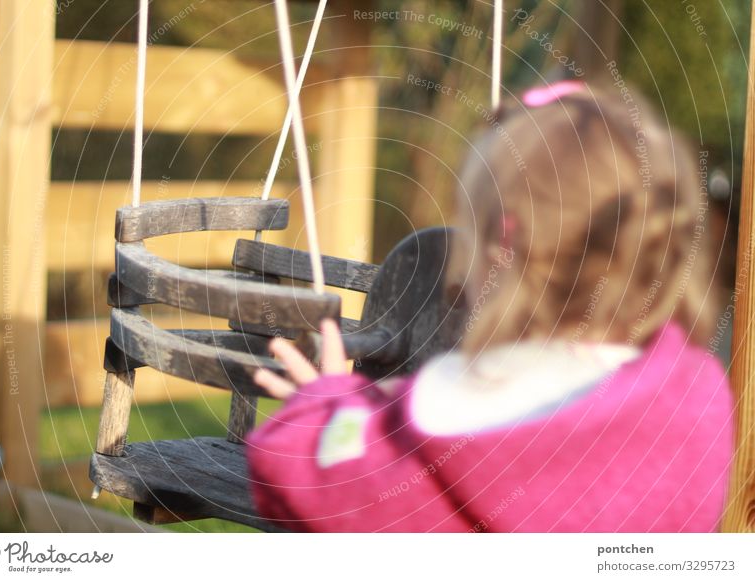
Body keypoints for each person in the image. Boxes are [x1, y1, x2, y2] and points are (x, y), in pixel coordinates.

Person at [245, 81, 733, 532]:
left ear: (503, 250)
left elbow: (298, 474)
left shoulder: (459, 429)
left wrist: (329, 405)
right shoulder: (696, 401)